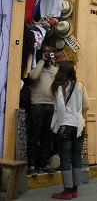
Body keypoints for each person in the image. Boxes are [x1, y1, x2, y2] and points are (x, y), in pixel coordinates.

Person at [50, 61, 90, 200]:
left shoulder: (59, 87)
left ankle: (67, 191)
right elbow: (86, 105)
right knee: (76, 157)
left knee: (66, 158)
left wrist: (62, 125)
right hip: (78, 126)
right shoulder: (80, 86)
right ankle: (75, 190)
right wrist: (77, 112)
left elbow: (60, 107)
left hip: (65, 125)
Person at [27, 45, 58, 175]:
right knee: (34, 136)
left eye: (49, 52)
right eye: (45, 52)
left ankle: (44, 164)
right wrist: (42, 61)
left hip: (50, 106)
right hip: (37, 106)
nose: (47, 54)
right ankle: (32, 165)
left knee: (46, 137)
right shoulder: (35, 67)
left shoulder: (56, 70)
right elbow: (33, 77)